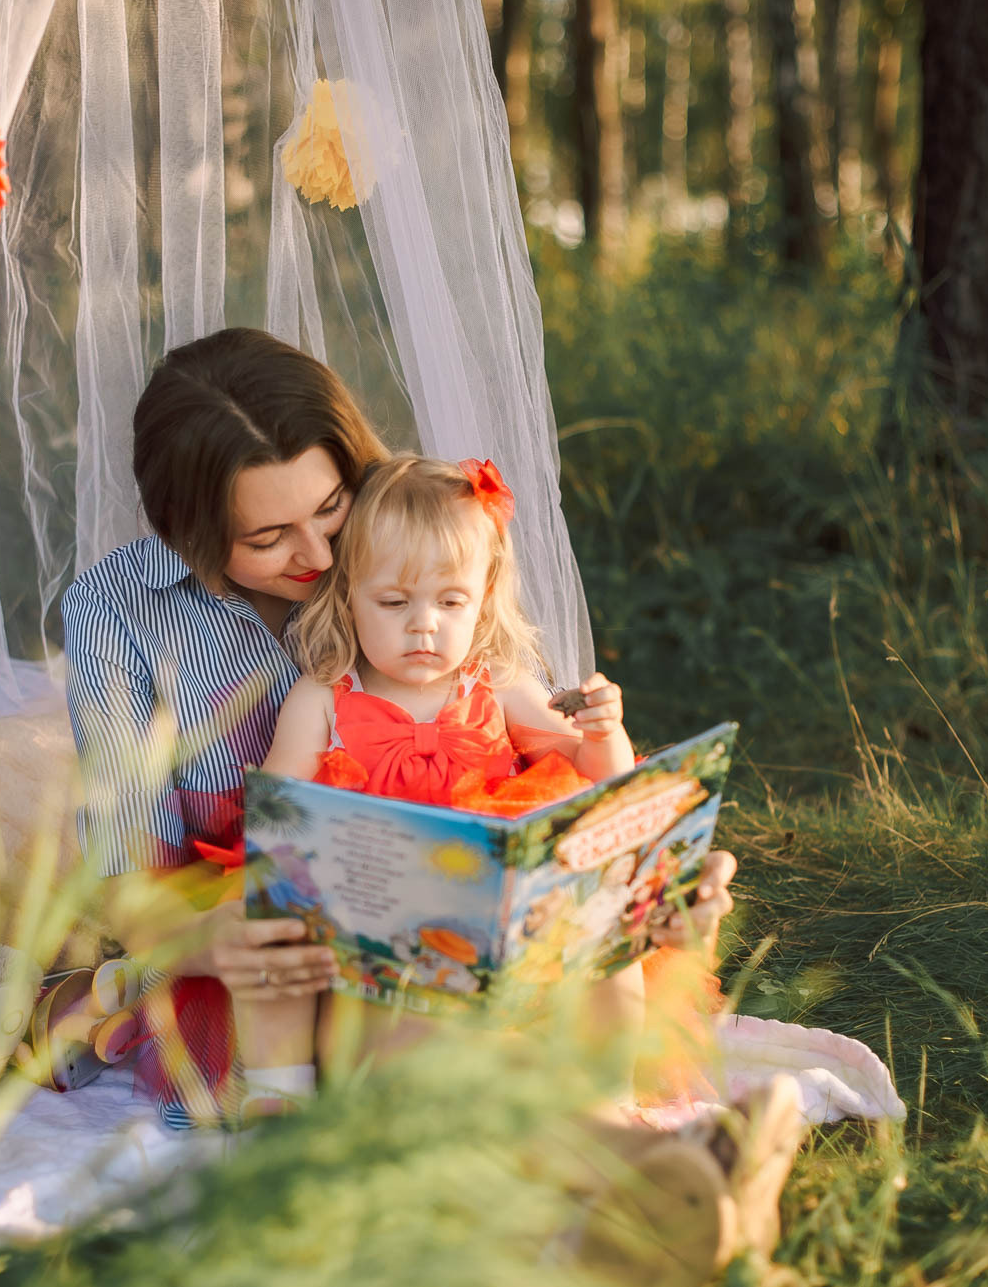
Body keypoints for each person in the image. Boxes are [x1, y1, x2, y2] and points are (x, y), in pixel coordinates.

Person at [250, 454, 733, 1113]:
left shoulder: (498, 685)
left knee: (606, 959)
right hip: (393, 953)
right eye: (394, 602)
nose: (424, 624)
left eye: (451, 601)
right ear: (348, 595)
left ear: (482, 603)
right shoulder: (322, 699)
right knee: (407, 1049)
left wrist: (602, 730)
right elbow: (277, 820)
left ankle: (610, 1108)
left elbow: (608, 789)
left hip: (515, 943)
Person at [60, 326, 390, 1126]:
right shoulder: (116, 612)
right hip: (251, 956)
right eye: (266, 539)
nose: (316, 553)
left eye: (330, 507)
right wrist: (214, 939)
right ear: (189, 530)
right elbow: (132, 885)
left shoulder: (405, 532)